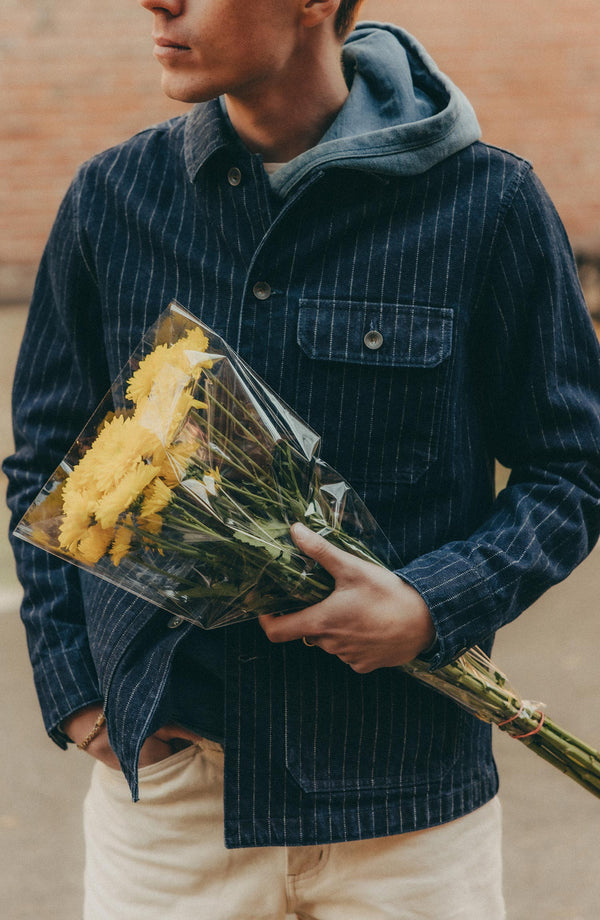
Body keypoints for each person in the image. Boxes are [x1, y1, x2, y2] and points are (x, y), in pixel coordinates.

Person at [4, 1, 600, 917]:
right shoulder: (114, 201)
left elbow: (574, 469)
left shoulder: (487, 206)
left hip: (405, 815)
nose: (157, 2)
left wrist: (434, 604)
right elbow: (46, 462)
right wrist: (77, 694)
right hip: (171, 812)